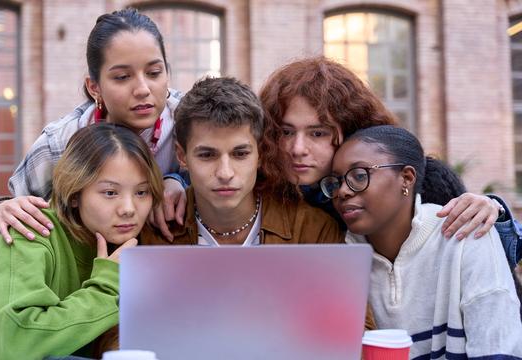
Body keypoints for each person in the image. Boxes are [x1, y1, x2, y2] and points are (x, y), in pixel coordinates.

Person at [0, 124, 164, 360]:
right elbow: (17, 347)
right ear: (75, 194)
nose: (129, 208)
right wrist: (106, 287)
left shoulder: (136, 247)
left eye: (141, 192)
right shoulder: (30, 233)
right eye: (110, 193)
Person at [138, 76, 375, 329]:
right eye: (207, 155)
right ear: (181, 156)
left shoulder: (313, 230)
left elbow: (356, 333)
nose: (225, 172)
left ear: (261, 153)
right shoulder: (156, 233)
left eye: (240, 154)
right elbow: (123, 331)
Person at [257, 56, 522, 268]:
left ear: (352, 129)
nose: (297, 149)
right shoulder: (263, 193)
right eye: (286, 132)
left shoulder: (426, 180)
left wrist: (491, 211)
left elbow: (489, 265)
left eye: (318, 133)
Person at [0, 8, 183, 255]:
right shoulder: (58, 145)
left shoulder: (190, 122)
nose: (142, 89)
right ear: (94, 87)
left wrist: (179, 181)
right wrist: (2, 211)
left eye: (153, 73)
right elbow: (2, 241)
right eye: (122, 77)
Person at [321, 125, 522, 358]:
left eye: (359, 176)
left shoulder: (466, 235)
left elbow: (497, 350)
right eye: (335, 182)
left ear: (406, 178)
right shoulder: (339, 259)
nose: (343, 191)